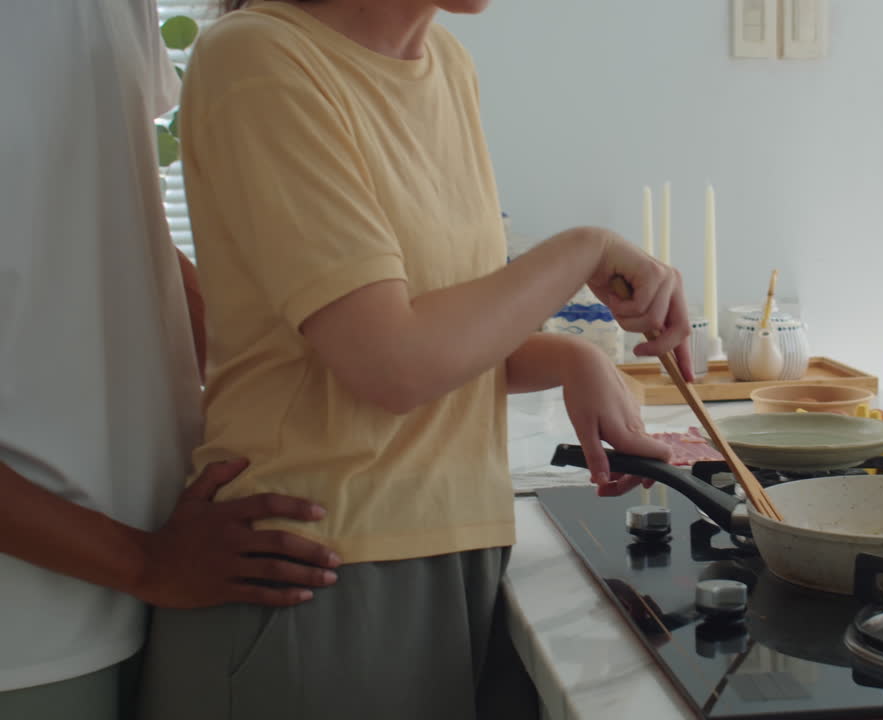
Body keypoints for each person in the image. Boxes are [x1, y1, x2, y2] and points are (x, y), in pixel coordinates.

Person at [137, 0, 692, 718]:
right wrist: (584, 250)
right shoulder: (258, 56)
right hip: (310, 568)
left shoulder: (447, 65)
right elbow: (391, 365)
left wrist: (567, 358)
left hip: (460, 550)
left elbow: (433, 327)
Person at [0, 3, 347, 718]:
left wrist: (321, 361)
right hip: (30, 633)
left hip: (174, 567)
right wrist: (144, 562)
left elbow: (123, 223)